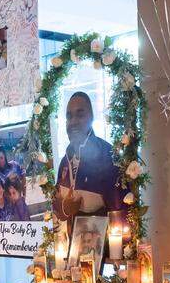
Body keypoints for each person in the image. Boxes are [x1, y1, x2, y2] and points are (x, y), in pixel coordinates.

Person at [52, 92, 124, 233]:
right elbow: (57, 207)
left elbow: (119, 216)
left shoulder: (108, 155)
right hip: (69, 250)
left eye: (80, 115)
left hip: (104, 251)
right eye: (69, 116)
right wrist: (65, 210)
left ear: (91, 117)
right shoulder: (65, 161)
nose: (73, 122)